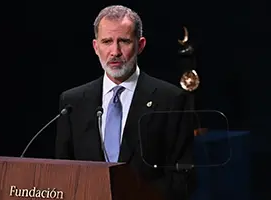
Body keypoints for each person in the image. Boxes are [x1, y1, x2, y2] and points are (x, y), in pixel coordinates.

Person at [55, 5, 196, 200]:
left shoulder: (170, 100)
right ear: (96, 47)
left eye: (124, 41)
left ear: (141, 45)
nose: (115, 51)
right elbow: (63, 172)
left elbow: (182, 176)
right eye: (107, 42)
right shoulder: (72, 102)